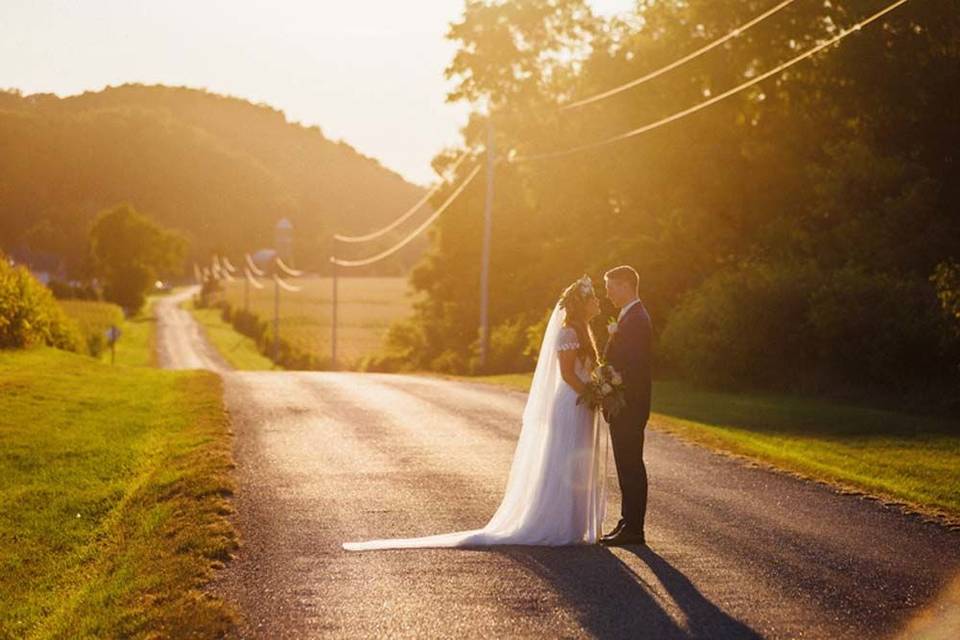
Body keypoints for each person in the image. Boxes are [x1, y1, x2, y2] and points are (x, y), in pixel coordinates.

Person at [343, 275, 608, 550]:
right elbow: (566, 374)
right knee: (563, 458)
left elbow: (584, 371)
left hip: (582, 403)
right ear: (583, 303)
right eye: (594, 298)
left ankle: (574, 526)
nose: (598, 301)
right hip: (571, 403)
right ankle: (557, 524)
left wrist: (597, 389)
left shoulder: (584, 331)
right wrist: (591, 394)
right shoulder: (569, 333)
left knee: (578, 463)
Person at [599, 265, 652, 547]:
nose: (607, 294)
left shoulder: (636, 319)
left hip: (629, 405)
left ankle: (634, 529)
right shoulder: (630, 315)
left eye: (610, 287)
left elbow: (632, 367)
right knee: (626, 463)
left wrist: (611, 388)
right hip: (625, 403)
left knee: (630, 464)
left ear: (624, 285)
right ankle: (628, 521)